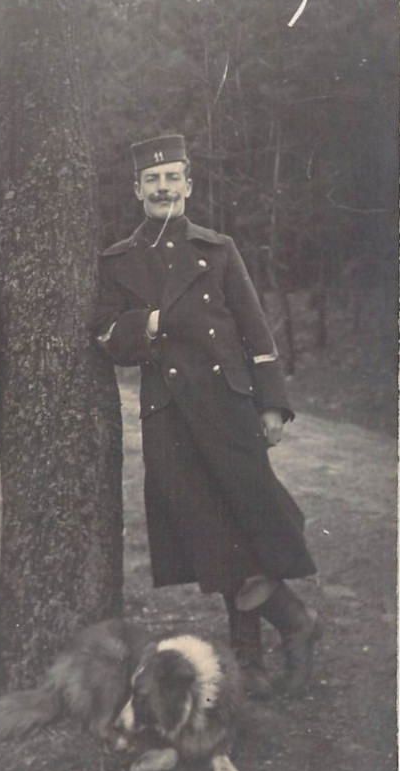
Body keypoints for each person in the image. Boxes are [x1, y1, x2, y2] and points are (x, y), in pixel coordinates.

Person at [92, 132, 320, 700]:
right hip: (169, 417)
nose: (163, 187)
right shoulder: (118, 261)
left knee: (246, 526)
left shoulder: (217, 250)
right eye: (153, 179)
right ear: (137, 189)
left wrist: (271, 403)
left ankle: (259, 650)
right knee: (210, 533)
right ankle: (289, 628)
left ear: (188, 186)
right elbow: (106, 337)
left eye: (173, 177)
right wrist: (145, 324)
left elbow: (255, 328)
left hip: (230, 408)